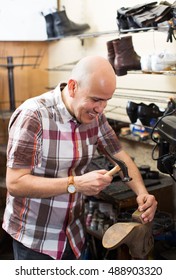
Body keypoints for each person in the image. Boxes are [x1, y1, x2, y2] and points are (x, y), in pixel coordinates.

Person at [2, 55, 157, 260]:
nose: (101, 109)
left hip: (74, 235)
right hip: (36, 242)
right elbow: (15, 183)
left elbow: (120, 156)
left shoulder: (95, 117)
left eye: (106, 101)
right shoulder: (33, 116)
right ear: (73, 87)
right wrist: (76, 184)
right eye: (95, 100)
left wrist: (142, 193)